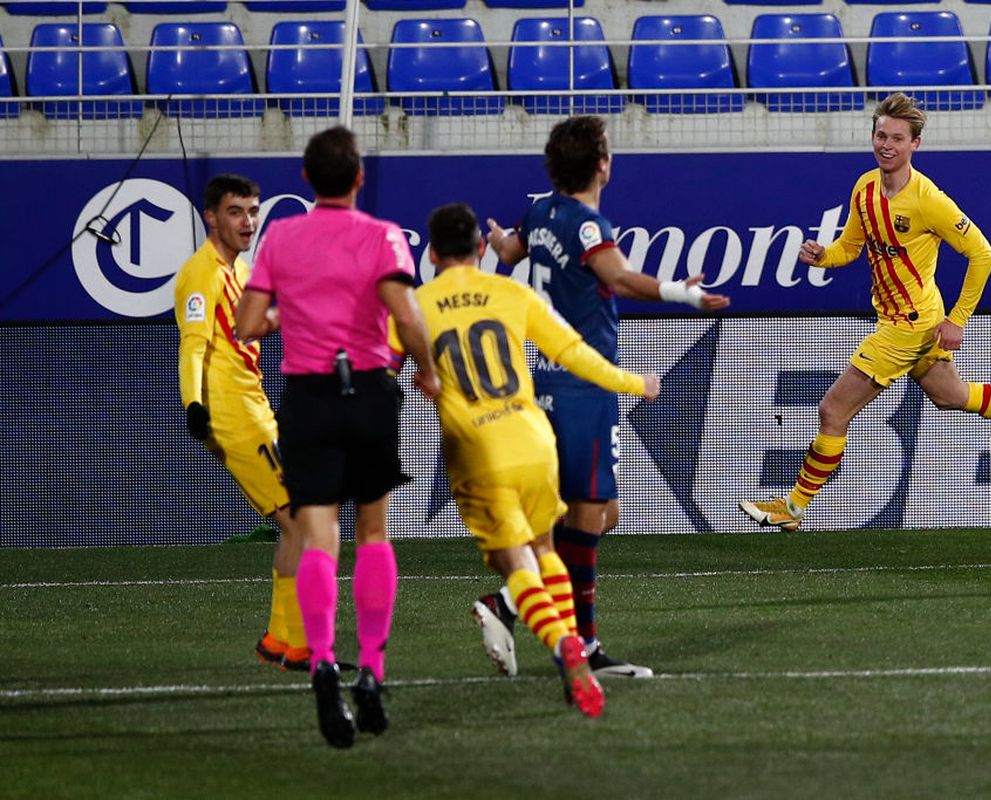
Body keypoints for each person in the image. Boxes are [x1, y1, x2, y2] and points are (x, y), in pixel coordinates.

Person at [738, 93, 991, 532]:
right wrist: (823, 256)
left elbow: (983, 254)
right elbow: (851, 247)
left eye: (897, 138)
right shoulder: (864, 188)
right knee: (950, 395)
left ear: (915, 144)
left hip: (908, 326)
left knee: (832, 411)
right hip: (905, 317)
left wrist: (958, 320)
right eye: (881, 135)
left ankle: (794, 508)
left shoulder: (928, 200)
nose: (887, 144)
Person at [482, 115, 730, 680]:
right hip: (583, 384)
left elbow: (511, 248)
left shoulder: (540, 211)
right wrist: (680, 294)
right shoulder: (588, 225)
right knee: (591, 511)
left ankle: (514, 603)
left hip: (543, 378)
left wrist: (498, 241)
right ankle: (572, 638)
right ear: (601, 164)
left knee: (599, 513)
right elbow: (616, 277)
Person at [235, 126, 439, 749]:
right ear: (358, 179)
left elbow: (247, 323)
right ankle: (371, 671)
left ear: (305, 180)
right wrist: (427, 371)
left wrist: (283, 313)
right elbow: (406, 316)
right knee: (373, 532)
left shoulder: (282, 237)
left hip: (309, 399)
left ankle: (322, 662)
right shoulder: (381, 237)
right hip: (371, 391)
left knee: (318, 537)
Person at [418, 202, 661, 716]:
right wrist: (635, 382)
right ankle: (571, 640)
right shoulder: (513, 293)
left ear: (432, 253)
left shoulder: (416, 306)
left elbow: (375, 362)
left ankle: (562, 646)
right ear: (482, 250)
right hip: (532, 441)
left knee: (516, 561)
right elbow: (575, 353)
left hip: (477, 450)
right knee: (548, 547)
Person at [175, 174, 311, 673]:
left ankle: (280, 640)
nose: (248, 221)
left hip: (256, 408)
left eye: (252, 211)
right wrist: (194, 404)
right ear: (211, 217)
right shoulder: (201, 272)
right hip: (234, 415)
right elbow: (193, 344)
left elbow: (246, 330)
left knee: (294, 523)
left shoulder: (241, 268)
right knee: (301, 520)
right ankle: (298, 645)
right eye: (235, 212)